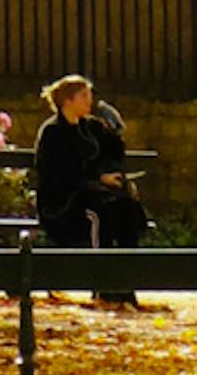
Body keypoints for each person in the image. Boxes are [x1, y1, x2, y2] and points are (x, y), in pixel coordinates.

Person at [33, 72, 145, 303]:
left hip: (93, 193)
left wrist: (115, 132)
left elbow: (113, 153)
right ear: (67, 101)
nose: (89, 101)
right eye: (83, 96)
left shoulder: (91, 127)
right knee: (99, 214)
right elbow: (60, 172)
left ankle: (125, 285)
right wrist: (98, 178)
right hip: (63, 202)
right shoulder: (52, 132)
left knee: (124, 208)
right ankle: (101, 284)